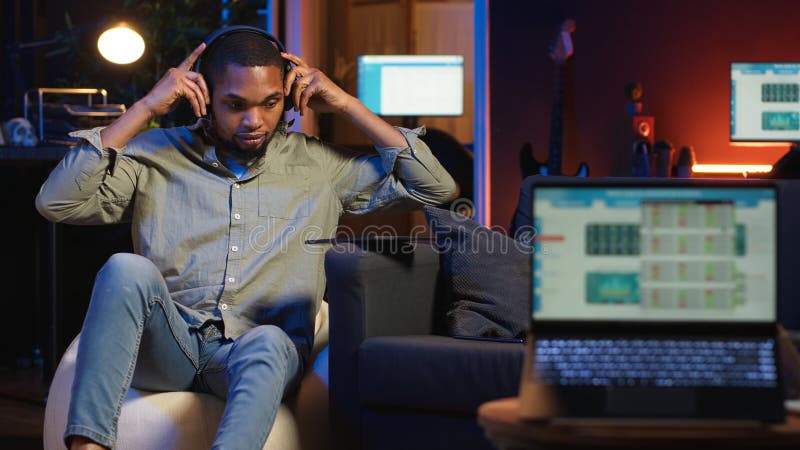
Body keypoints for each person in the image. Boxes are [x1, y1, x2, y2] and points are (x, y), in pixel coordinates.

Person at [36, 28, 456, 450]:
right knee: (125, 268)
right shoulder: (155, 152)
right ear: (202, 99)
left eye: (270, 103)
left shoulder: (319, 165)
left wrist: (345, 104)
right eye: (235, 105)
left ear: (287, 97)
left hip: (257, 359)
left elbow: (436, 188)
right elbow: (57, 202)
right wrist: (145, 106)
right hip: (170, 347)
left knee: (270, 339)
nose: (255, 121)